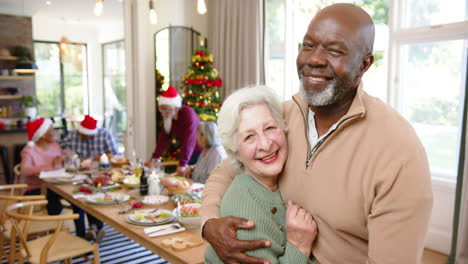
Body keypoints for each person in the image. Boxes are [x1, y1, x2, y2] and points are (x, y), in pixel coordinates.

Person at [200, 3, 433, 264]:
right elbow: (226, 171)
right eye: (308, 46)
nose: (314, 60)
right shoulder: (281, 117)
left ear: (364, 64)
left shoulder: (398, 151)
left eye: (334, 50)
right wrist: (209, 223)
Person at [205, 86, 317, 263]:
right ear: (236, 152)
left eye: (270, 128)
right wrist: (299, 245)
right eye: (249, 137)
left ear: (284, 128)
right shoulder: (244, 210)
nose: (265, 144)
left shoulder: (272, 184)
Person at [20, 117, 85, 237]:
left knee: (77, 200)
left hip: (58, 186)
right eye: (52, 130)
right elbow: (25, 170)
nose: (55, 132)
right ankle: (52, 233)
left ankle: (82, 236)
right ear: (43, 134)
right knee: (54, 204)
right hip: (37, 188)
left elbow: (60, 163)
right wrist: (50, 165)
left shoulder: (55, 146)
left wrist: (66, 156)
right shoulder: (29, 150)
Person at [61, 114, 120, 242]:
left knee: (95, 195)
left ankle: (94, 228)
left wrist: (101, 157)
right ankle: (84, 232)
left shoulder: (104, 135)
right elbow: (62, 150)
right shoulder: (73, 135)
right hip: (78, 174)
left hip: (101, 173)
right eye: (82, 135)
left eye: (86, 136)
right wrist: (69, 157)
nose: (83, 137)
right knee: (78, 198)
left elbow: (115, 155)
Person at [150, 85, 203, 175]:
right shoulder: (169, 117)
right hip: (187, 152)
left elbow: (189, 141)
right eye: (161, 109)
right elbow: (163, 138)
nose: (163, 113)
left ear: (176, 108)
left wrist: (183, 164)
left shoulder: (188, 115)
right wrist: (155, 158)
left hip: (198, 152)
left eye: (166, 109)